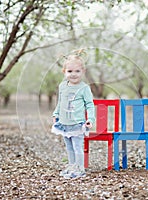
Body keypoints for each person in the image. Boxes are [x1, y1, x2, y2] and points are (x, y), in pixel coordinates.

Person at [51, 50, 95, 179]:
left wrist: (90, 118)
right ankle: (72, 166)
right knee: (69, 147)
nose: (73, 74)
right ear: (64, 71)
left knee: (77, 147)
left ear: (83, 71)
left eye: (77, 71)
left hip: (77, 124)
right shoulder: (62, 86)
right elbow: (61, 102)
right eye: (70, 71)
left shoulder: (84, 88)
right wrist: (56, 114)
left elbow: (90, 104)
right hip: (64, 123)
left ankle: (80, 168)